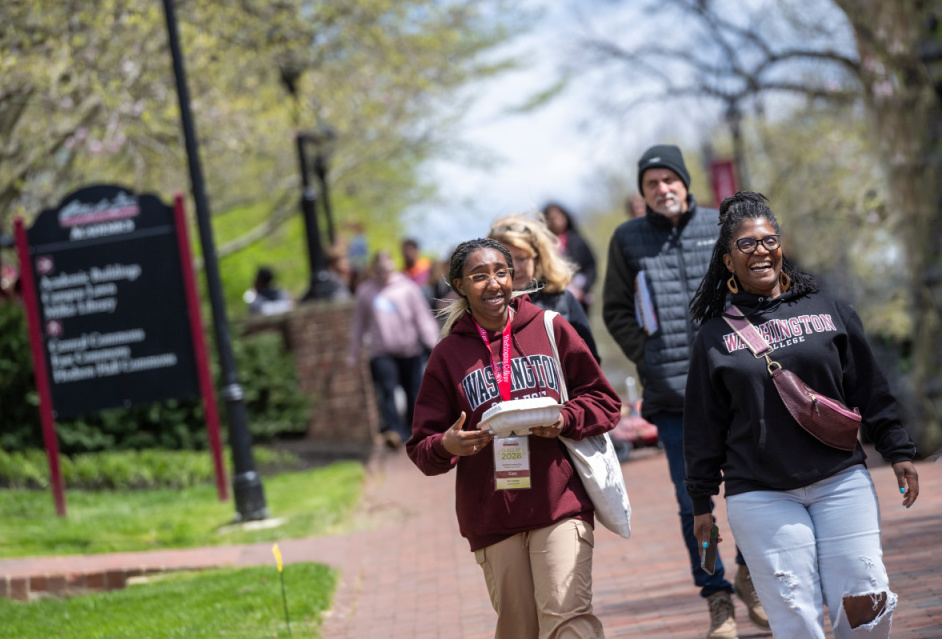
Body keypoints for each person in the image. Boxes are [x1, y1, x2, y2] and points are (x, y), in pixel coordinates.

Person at [685, 191, 920, 638]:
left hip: (840, 482)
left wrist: (897, 448)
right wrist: (701, 503)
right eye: (747, 245)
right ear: (728, 261)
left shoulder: (829, 310)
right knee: (795, 616)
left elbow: (869, 386)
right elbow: (703, 427)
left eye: (768, 240)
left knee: (866, 604)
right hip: (760, 494)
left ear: (781, 245)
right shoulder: (714, 337)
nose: (760, 251)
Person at [407, 238, 621, 639]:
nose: (493, 284)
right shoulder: (447, 355)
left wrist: (564, 418)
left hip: (560, 501)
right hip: (493, 515)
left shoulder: (550, 328)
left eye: (500, 272)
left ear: (513, 276)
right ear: (459, 286)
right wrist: (447, 445)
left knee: (568, 618)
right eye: (479, 276)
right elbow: (421, 447)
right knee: (520, 630)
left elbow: (605, 402)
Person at [602, 144, 765, 638]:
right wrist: (646, 352)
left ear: (685, 183)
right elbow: (615, 309)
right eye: (651, 184)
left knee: (751, 491)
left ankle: (750, 575)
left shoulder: (720, 226)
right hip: (673, 398)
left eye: (669, 180)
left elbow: (755, 289)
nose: (662, 190)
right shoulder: (627, 239)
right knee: (693, 504)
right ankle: (716, 596)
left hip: (733, 388)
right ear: (644, 193)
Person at [347, 251, 440, 448]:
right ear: (375, 269)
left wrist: (434, 344)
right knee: (388, 390)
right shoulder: (366, 292)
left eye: (387, 268)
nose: (384, 273)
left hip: (410, 349)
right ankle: (395, 432)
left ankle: (413, 430)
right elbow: (359, 325)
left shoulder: (407, 288)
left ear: (393, 267)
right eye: (380, 269)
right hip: (382, 351)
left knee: (413, 391)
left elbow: (422, 317)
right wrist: (353, 353)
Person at [488, 213, 601, 362]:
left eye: (521, 258)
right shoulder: (486, 309)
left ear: (538, 257)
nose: (514, 268)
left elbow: (589, 363)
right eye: (505, 260)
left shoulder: (564, 300)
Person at [542, 202, 597, 313]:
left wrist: (583, 289)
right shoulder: (542, 245)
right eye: (550, 218)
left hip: (577, 299)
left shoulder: (577, 241)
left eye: (557, 217)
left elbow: (591, 267)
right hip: (550, 301)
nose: (554, 221)